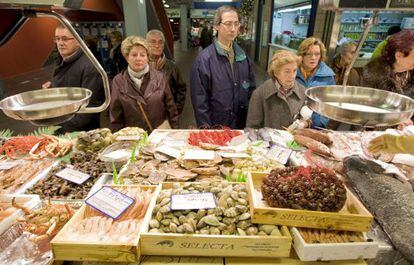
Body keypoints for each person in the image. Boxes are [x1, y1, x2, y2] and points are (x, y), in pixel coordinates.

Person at [190, 5, 256, 129]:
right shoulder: (204, 60)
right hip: (216, 127)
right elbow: (200, 101)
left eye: (236, 24)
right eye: (228, 24)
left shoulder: (243, 57)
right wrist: (206, 130)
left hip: (240, 126)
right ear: (216, 26)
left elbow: (251, 91)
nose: (233, 29)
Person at [42, 24, 104, 133]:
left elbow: (91, 107)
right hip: (60, 125)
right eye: (57, 39)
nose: (60, 43)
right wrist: (53, 87)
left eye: (65, 39)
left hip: (80, 134)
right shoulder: (61, 60)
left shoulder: (90, 67)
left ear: (78, 41)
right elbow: (69, 85)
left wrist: (63, 129)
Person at [109, 36, 178, 132]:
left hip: (158, 135)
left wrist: (174, 131)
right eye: (134, 55)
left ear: (147, 57)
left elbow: (171, 108)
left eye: (142, 55)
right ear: (126, 57)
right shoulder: (118, 81)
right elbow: (115, 115)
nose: (138, 58)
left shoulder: (160, 78)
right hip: (133, 138)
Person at [246, 50, 305, 129]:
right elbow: (252, 128)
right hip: (267, 140)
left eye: (294, 71)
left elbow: (307, 119)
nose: (292, 76)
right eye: (287, 71)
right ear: (276, 73)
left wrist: (304, 123)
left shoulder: (303, 92)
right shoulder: (260, 94)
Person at [296, 37, 336, 129]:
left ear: (321, 56)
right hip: (292, 121)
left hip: (315, 124)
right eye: (309, 54)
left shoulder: (328, 76)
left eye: (317, 54)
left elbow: (330, 103)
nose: (313, 58)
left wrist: (321, 123)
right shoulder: (293, 72)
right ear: (302, 55)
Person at [146, 29, 187, 115]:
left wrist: (175, 111)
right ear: (146, 44)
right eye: (153, 42)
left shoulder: (172, 67)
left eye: (160, 42)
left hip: (166, 116)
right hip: (145, 116)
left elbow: (181, 89)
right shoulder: (141, 66)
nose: (157, 45)